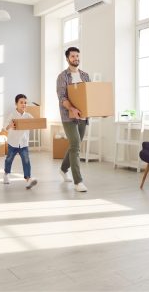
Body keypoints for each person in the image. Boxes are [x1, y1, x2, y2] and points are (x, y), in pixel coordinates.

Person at [56, 47, 90, 192]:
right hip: (68, 116)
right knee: (75, 145)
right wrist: (72, 109)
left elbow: (90, 95)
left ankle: (63, 169)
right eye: (73, 56)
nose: (76, 58)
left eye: (77, 56)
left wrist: (99, 110)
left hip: (83, 116)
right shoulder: (63, 76)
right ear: (67, 59)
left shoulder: (85, 76)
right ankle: (78, 182)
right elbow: (62, 97)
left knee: (74, 145)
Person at [3, 94, 37, 189]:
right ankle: (6, 174)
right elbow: (4, 127)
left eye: (25, 103)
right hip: (13, 142)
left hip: (24, 143)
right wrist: (9, 126)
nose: (23, 104)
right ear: (16, 104)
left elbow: (35, 124)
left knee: (26, 161)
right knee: (9, 159)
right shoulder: (12, 114)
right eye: (21, 102)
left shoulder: (28, 116)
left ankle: (28, 179)